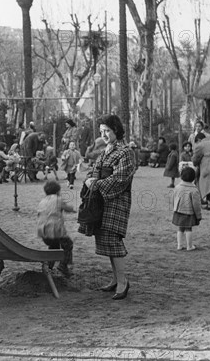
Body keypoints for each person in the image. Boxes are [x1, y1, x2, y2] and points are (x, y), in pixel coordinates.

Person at [81, 114, 135, 300]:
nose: (104, 134)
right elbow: (95, 168)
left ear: (116, 130)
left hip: (116, 200)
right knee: (106, 240)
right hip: (102, 200)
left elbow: (121, 178)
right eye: (102, 131)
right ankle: (116, 279)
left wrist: (96, 183)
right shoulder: (107, 150)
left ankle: (123, 282)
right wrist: (90, 178)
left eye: (107, 131)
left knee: (113, 240)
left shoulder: (125, 151)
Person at [36, 181, 75, 277]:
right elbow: (68, 208)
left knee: (53, 247)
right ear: (58, 191)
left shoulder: (43, 201)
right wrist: (73, 209)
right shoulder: (58, 199)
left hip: (43, 230)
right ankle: (63, 265)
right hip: (55, 229)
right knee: (68, 245)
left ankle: (49, 266)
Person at [172, 167, 202, 251]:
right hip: (189, 212)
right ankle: (189, 246)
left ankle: (179, 245)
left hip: (178, 210)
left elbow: (173, 198)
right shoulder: (194, 189)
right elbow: (196, 204)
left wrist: (174, 208)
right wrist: (198, 215)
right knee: (189, 229)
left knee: (180, 228)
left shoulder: (177, 187)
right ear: (194, 177)